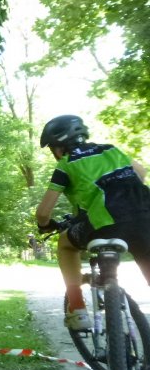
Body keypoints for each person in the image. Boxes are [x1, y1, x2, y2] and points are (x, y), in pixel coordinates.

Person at [35, 114, 150, 330]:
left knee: (65, 244)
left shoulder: (66, 164)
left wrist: (45, 225)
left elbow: (43, 213)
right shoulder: (111, 150)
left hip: (106, 223)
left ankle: (77, 309)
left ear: (59, 147)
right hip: (145, 217)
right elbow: (141, 173)